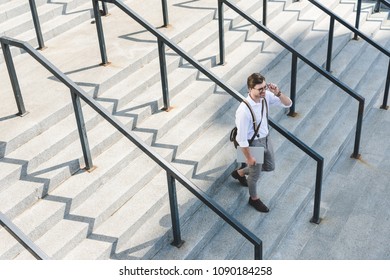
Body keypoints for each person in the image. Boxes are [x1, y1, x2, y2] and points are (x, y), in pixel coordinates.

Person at [231, 73, 292, 212]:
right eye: (260, 89)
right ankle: (253, 199)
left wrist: (278, 93)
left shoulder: (266, 97)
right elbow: (241, 139)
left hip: (266, 137)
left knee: (270, 166)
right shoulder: (243, 110)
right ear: (250, 89)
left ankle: (240, 173)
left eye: (265, 87)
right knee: (254, 175)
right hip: (252, 143)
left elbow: (288, 103)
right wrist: (249, 157)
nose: (264, 91)